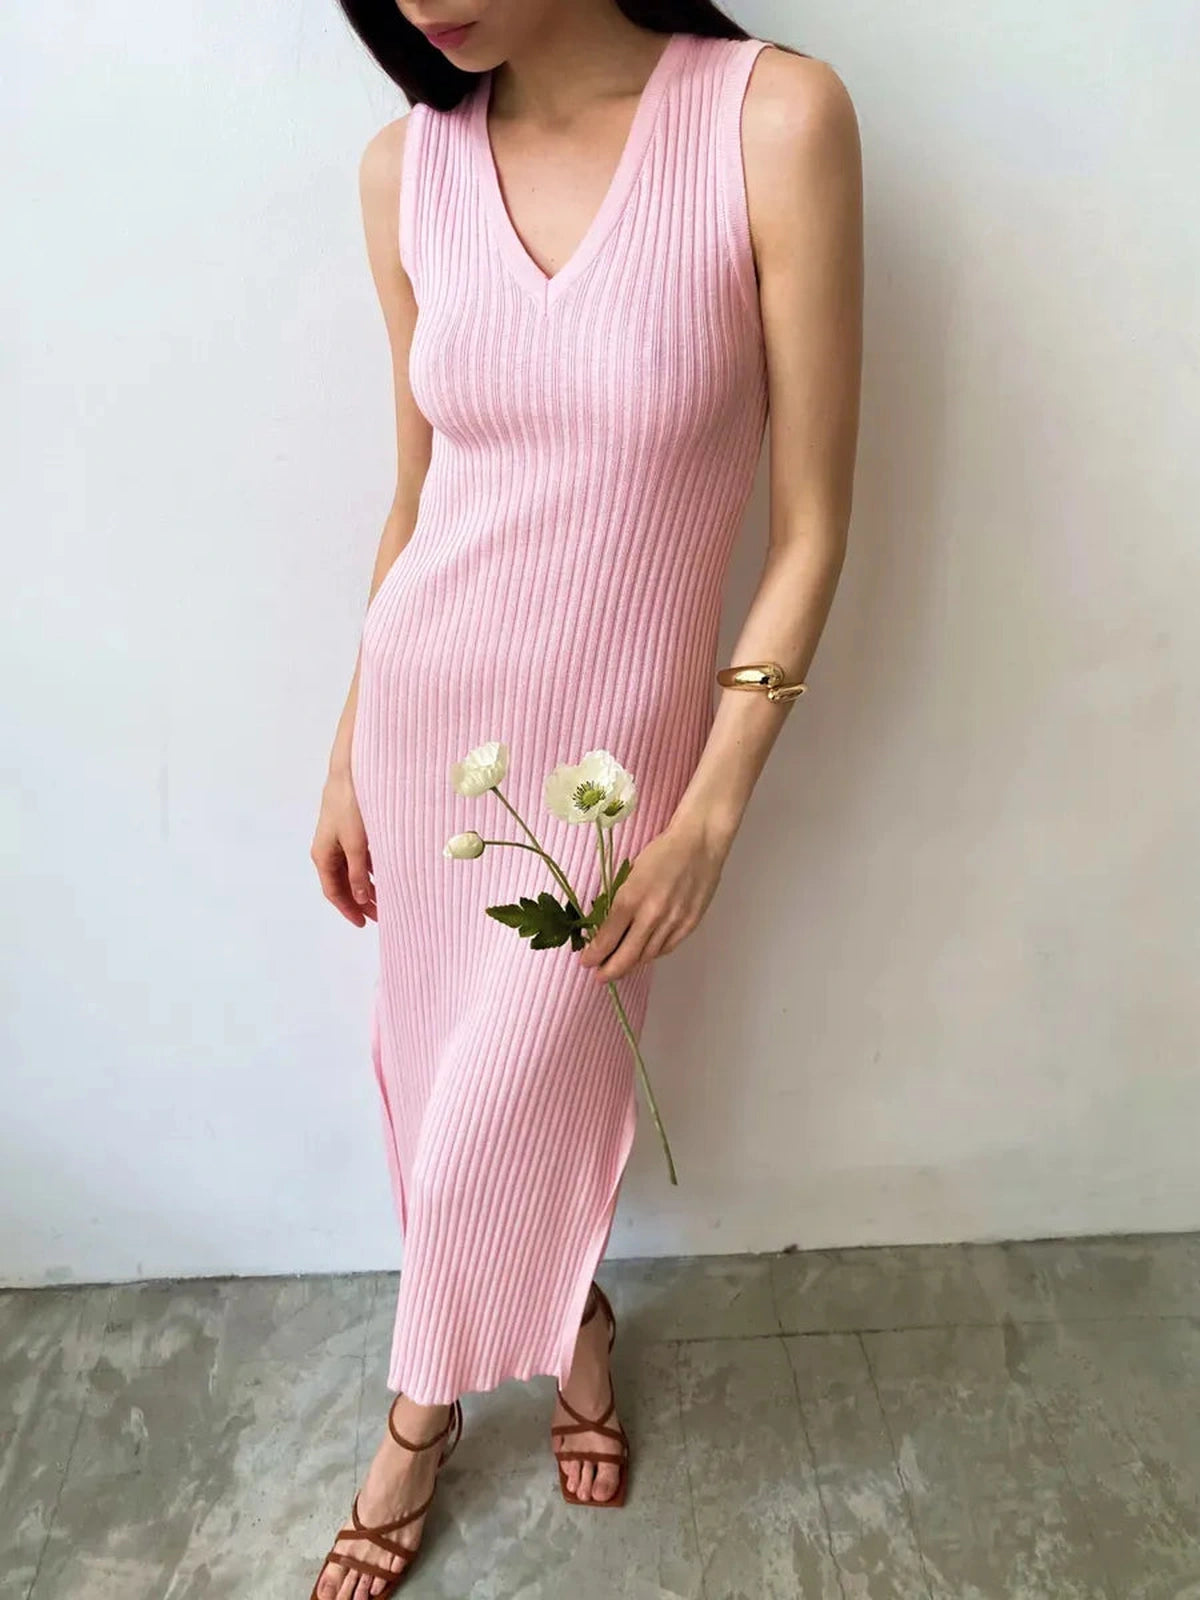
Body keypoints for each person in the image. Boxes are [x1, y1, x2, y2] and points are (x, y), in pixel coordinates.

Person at [309, 0, 862, 1593]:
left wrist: (713, 810)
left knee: (507, 1095)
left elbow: (814, 525)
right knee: (444, 1094)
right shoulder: (404, 170)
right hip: (431, 732)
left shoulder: (773, 121)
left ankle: (422, 1412)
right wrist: (348, 748)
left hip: (617, 768)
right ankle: (558, 1330)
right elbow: (419, 496)